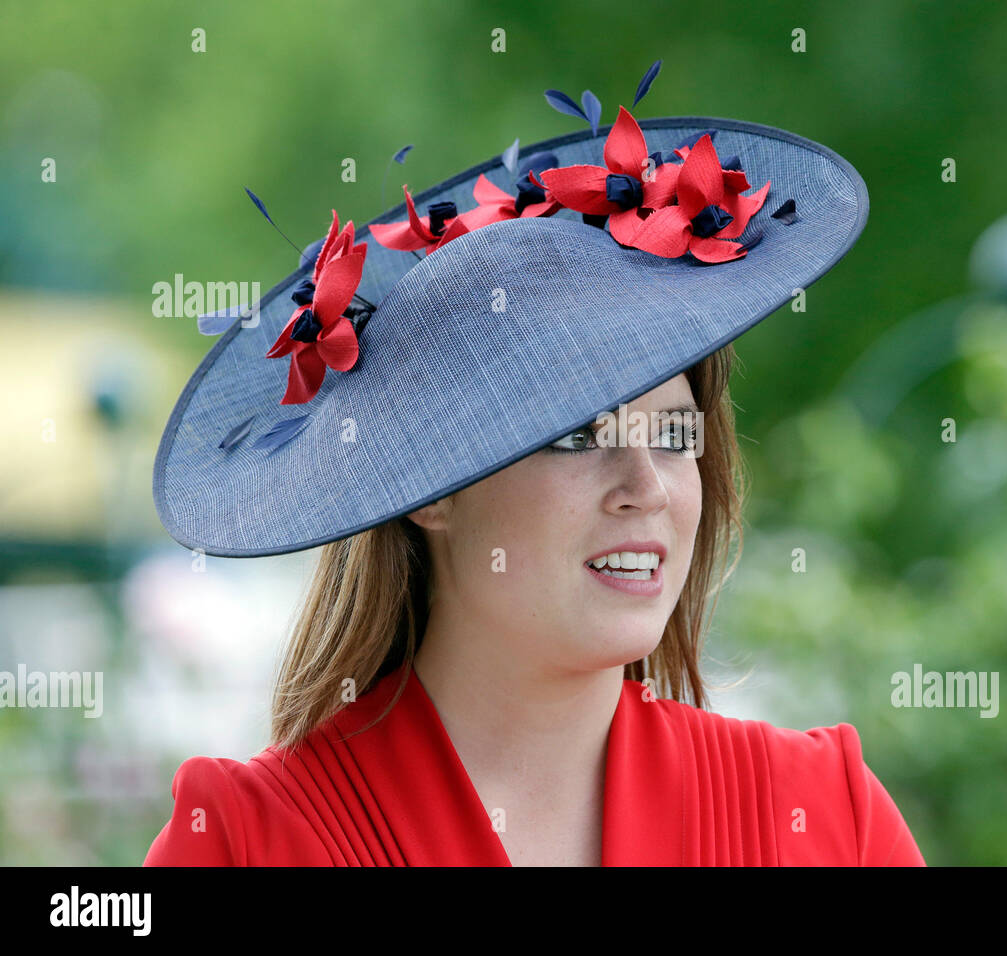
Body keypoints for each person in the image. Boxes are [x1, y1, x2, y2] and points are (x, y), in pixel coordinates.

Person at [143, 61, 925, 866]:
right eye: (579, 437)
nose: (646, 489)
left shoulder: (827, 816)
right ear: (431, 489)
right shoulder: (253, 840)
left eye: (674, 436)